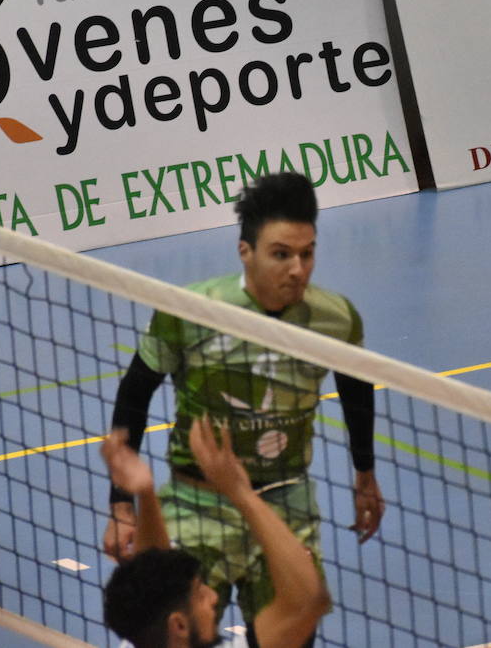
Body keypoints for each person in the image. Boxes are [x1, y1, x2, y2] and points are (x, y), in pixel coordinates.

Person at [103, 171, 383, 647]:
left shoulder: (336, 319)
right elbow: (136, 392)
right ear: (245, 251)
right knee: (175, 631)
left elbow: (356, 392)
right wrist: (121, 505)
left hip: (285, 501)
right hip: (197, 501)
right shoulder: (191, 311)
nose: (297, 268)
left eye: (307, 253)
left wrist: (365, 475)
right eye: (281, 254)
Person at [102, 414, 329, 648]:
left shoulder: (141, 639)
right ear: (179, 625)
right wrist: (241, 492)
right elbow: (308, 602)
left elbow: (152, 581)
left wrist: (146, 495)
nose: (214, 597)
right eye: (200, 594)